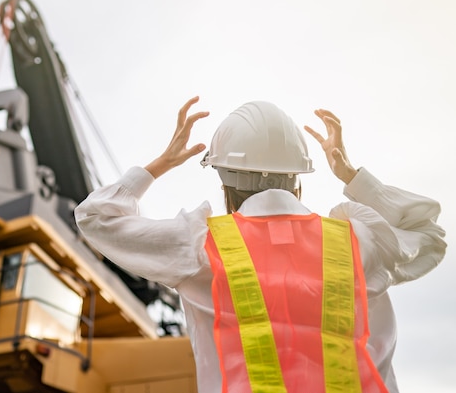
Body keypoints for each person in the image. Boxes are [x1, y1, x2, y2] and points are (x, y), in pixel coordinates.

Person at [74, 97, 446, 393]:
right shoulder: (357, 242)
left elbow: (95, 218)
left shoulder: (201, 246)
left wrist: (161, 163)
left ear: (226, 191)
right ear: (298, 182)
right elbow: (428, 233)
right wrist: (350, 174)